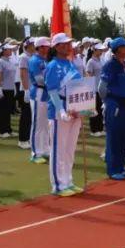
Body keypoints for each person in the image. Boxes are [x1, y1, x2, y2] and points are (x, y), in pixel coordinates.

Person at [45, 33, 83, 197]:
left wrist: (84, 107)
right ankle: (58, 185)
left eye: (70, 44)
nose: (69, 46)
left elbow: (80, 86)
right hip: (60, 111)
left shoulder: (70, 63)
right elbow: (52, 90)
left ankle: (68, 180)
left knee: (70, 149)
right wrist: (60, 110)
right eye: (65, 44)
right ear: (57, 47)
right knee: (59, 149)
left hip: (75, 110)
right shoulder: (53, 65)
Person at [98, 37, 125, 180]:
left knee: (124, 136)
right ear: (119, 49)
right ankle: (113, 169)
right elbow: (101, 87)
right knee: (114, 136)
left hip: (124, 104)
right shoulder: (110, 65)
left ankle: (121, 166)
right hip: (115, 105)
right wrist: (108, 101)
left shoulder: (124, 64)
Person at [27, 37, 51, 163]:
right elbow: (39, 79)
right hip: (38, 92)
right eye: (46, 46)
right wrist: (53, 82)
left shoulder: (45, 60)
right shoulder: (34, 60)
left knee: (46, 124)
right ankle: (35, 153)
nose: (48, 48)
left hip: (47, 93)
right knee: (37, 124)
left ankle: (45, 150)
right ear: (40, 47)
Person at [0, 43, 18, 138]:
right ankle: (3, 131)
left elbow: (12, 76)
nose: (11, 51)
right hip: (3, 89)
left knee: (7, 111)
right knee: (2, 111)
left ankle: (8, 129)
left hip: (10, 88)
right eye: (9, 49)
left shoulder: (10, 61)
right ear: (3, 51)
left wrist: (14, 87)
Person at [16, 40, 34, 150]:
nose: (34, 46)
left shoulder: (33, 56)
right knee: (25, 116)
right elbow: (23, 74)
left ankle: (28, 138)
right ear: (27, 46)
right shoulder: (23, 57)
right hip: (26, 89)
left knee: (31, 116)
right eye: (32, 45)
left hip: (32, 89)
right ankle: (22, 140)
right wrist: (26, 90)